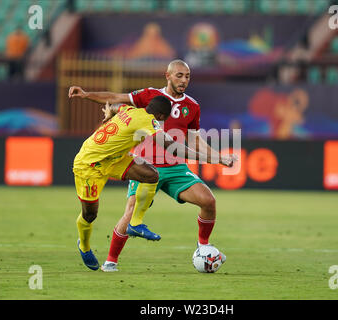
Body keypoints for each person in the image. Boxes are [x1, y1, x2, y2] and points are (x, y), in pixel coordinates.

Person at [68, 59, 237, 272]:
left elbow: (194, 139)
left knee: (208, 200)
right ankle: (111, 261)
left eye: (187, 76)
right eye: (179, 75)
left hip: (175, 168)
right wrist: (86, 95)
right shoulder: (148, 97)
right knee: (122, 212)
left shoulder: (192, 106)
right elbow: (115, 98)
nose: (183, 80)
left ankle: (203, 246)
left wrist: (217, 155)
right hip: (137, 160)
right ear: (167, 76)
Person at [73, 96, 213, 270]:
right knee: (90, 215)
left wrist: (110, 110)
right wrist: (208, 157)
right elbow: (173, 147)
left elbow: (118, 106)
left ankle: (135, 223)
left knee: (151, 175)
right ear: (161, 116)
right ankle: (84, 245)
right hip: (89, 165)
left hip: (115, 159)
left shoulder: (131, 110)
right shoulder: (149, 121)